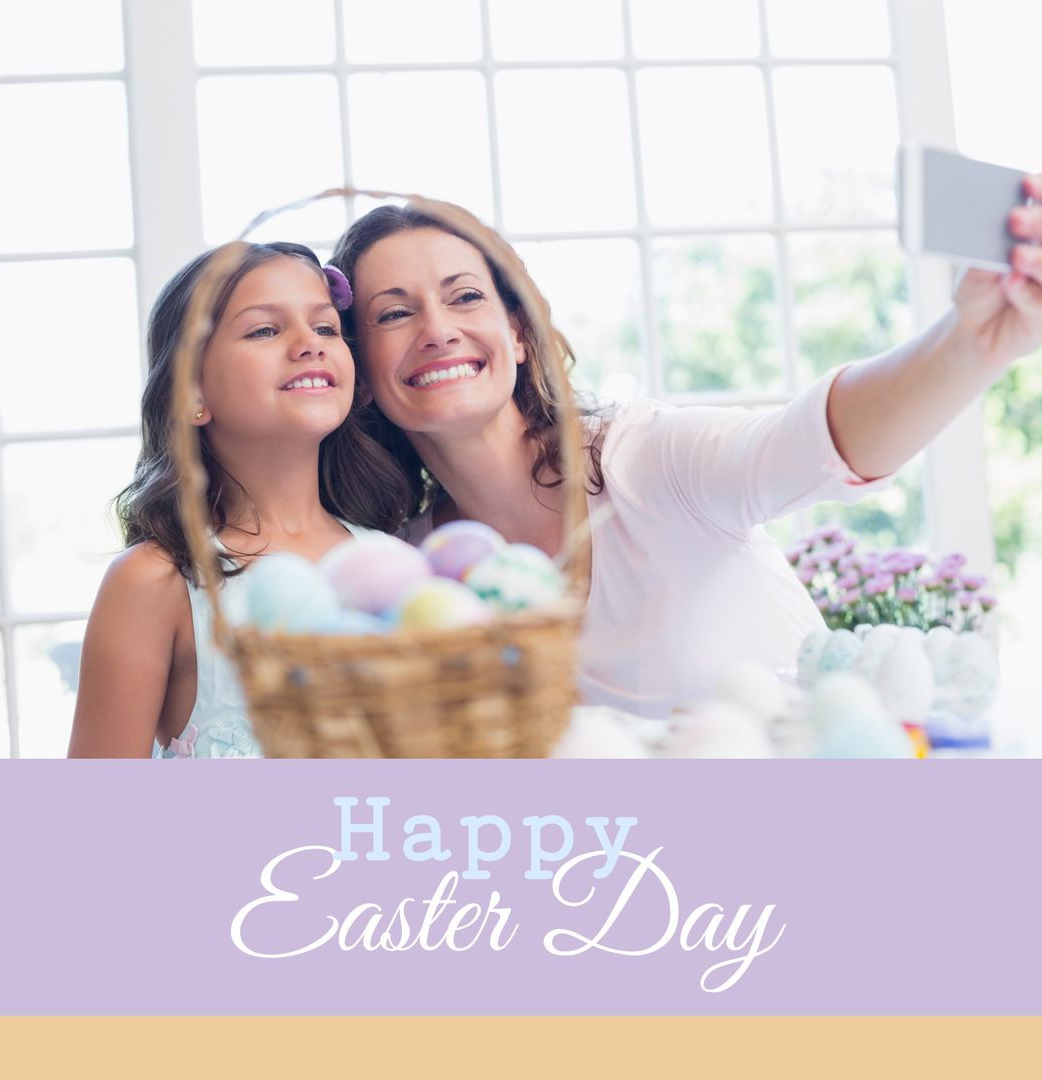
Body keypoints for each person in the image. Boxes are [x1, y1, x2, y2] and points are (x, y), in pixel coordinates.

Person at [329, 182, 1042, 718]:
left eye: (463, 298)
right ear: (361, 371)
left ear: (517, 335)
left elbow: (811, 443)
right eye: (394, 313)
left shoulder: (644, 458)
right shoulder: (417, 571)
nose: (436, 329)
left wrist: (970, 341)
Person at [68, 242, 405, 757]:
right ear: (191, 395)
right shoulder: (156, 581)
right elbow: (83, 822)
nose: (309, 344)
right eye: (264, 330)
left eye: (326, 328)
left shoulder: (391, 564)